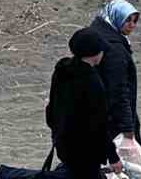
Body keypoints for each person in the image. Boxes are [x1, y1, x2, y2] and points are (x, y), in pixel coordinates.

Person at [48, 29, 121, 179]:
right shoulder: (92, 83)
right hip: (86, 152)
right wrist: (113, 157)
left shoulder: (62, 70)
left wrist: (57, 132)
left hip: (63, 144)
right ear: (95, 54)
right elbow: (100, 126)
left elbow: (52, 108)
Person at [85, 0, 141, 158]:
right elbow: (119, 91)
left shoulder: (96, 36)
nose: (132, 25)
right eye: (127, 20)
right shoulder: (115, 49)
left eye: (134, 21)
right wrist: (128, 131)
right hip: (112, 121)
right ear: (116, 18)